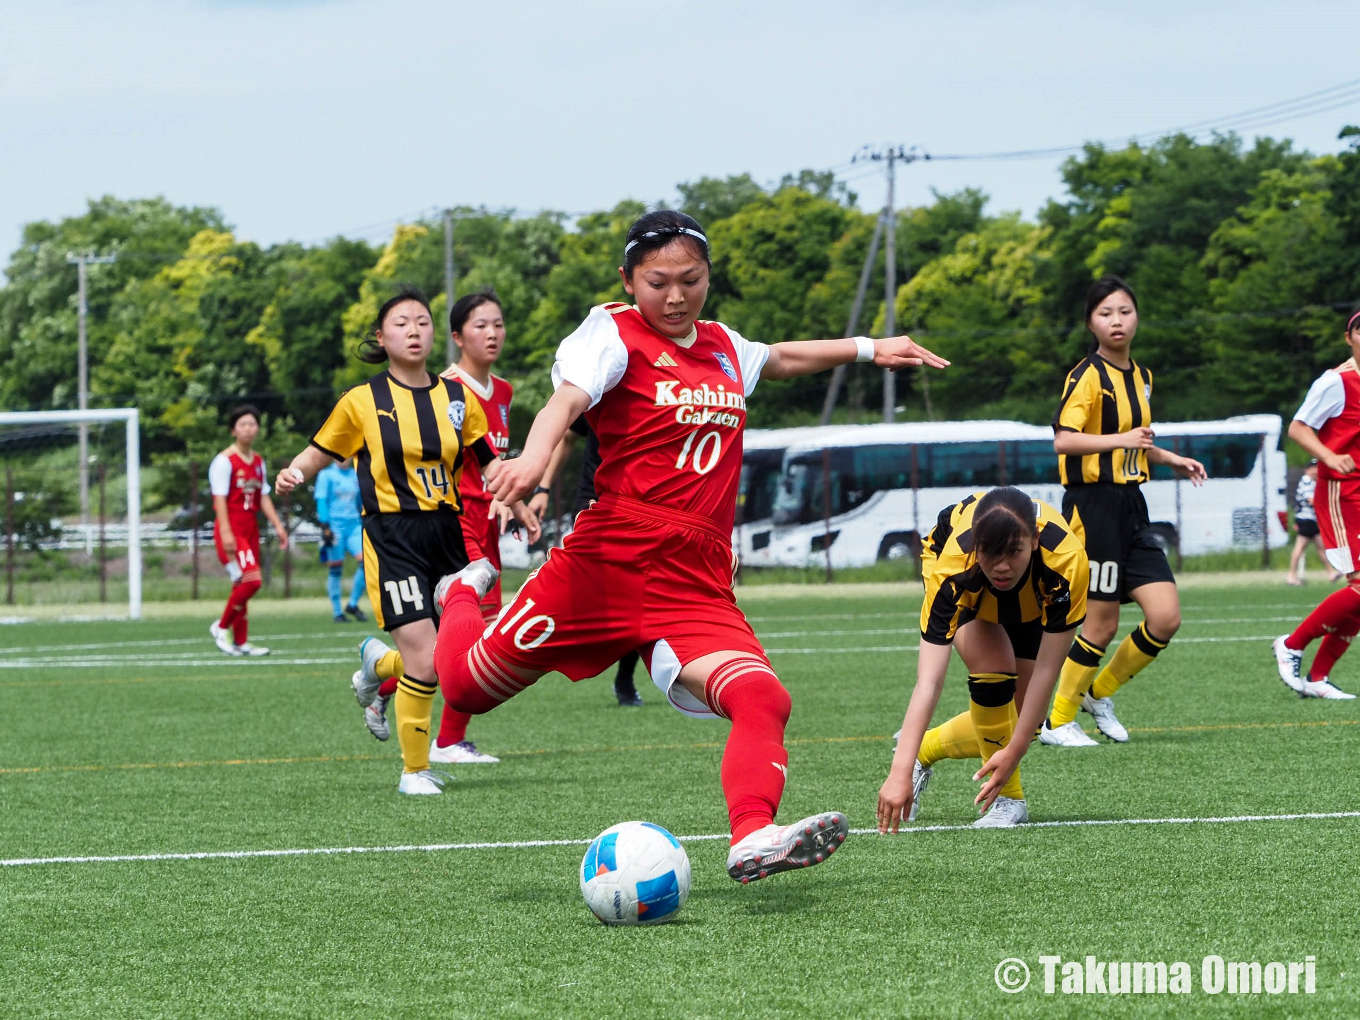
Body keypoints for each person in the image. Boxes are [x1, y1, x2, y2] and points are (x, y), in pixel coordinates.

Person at [405, 210, 947, 880]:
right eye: (658, 281)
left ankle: (751, 835)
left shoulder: (721, 344)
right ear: (629, 279)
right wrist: (530, 459)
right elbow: (566, 404)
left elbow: (777, 358)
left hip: (696, 575)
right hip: (609, 558)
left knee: (763, 698)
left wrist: (867, 347)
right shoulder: (611, 333)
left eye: (690, 280)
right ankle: (460, 592)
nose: (675, 296)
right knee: (463, 684)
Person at [274, 288, 537, 795]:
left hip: (447, 534)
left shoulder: (458, 398)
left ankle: (377, 664)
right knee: (424, 658)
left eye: (422, 321)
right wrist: (292, 473)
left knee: (445, 657)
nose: (414, 330)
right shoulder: (362, 401)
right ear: (381, 336)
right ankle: (414, 770)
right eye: (401, 323)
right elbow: (319, 450)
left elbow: (489, 464)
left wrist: (517, 496)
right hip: (393, 535)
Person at [1038, 277, 1206, 747]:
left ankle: (1099, 692)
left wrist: (1171, 458)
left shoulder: (1141, 376)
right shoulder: (1086, 375)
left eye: (1125, 311)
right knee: (1101, 621)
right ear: (1091, 321)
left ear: (1137, 317)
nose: (1117, 321)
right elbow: (1064, 440)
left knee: (1166, 617)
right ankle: (1058, 720)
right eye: (1106, 313)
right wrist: (1121, 441)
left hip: (1132, 505)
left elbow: (1139, 442)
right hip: (1094, 508)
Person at [877, 487, 1089, 830]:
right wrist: (897, 774)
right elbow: (929, 680)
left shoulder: (1067, 563)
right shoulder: (953, 570)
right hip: (972, 587)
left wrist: (1017, 748)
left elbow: (1049, 668)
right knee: (994, 668)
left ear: (1034, 539)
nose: (1002, 566)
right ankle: (1010, 800)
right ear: (976, 543)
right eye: (990, 552)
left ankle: (923, 748)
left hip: (1032, 596)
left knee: (1025, 725)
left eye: (1013, 552)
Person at [365, 289, 518, 762]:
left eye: (497, 324)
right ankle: (447, 740)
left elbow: (490, 463)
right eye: (479, 326)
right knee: (470, 634)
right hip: (450, 525)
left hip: (487, 521)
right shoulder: (441, 391)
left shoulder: (504, 392)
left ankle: (384, 680)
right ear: (455, 337)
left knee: (453, 642)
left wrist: (520, 502)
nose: (491, 333)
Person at [1271, 305, 1360, 700]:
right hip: (1341, 492)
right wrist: (1327, 456)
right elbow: (1298, 427)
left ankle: (1319, 678)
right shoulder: (1336, 382)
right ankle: (1291, 644)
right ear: (1348, 338)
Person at [529, 416, 645, 706]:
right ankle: (541, 645)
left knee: (638, 594)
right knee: (584, 588)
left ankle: (626, 679)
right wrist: (542, 488)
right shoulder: (600, 381)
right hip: (593, 501)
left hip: (642, 505)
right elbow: (567, 433)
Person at [208, 404, 288, 657]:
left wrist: (277, 525)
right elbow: (219, 499)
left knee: (240, 583)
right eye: (242, 424)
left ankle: (240, 642)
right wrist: (227, 533)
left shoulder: (258, 461)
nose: (248, 428)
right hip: (232, 529)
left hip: (250, 528)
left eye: (252, 424)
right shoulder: (224, 461)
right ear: (233, 430)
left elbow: (262, 495)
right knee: (252, 581)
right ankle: (221, 627)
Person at [315, 458, 367, 622]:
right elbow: (321, 500)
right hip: (334, 527)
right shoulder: (326, 475)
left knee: (366, 562)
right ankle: (337, 612)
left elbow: (361, 502)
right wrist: (325, 526)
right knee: (335, 569)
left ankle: (352, 603)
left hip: (354, 526)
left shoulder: (356, 475)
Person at [1285, 462, 1340, 586]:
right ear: (1307, 470)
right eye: (1313, 468)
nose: (1316, 471)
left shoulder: (1313, 482)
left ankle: (1331, 573)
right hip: (1306, 520)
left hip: (1311, 520)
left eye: (1317, 468)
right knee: (1300, 548)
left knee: (1320, 547)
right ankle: (1291, 575)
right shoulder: (1307, 481)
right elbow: (1312, 501)